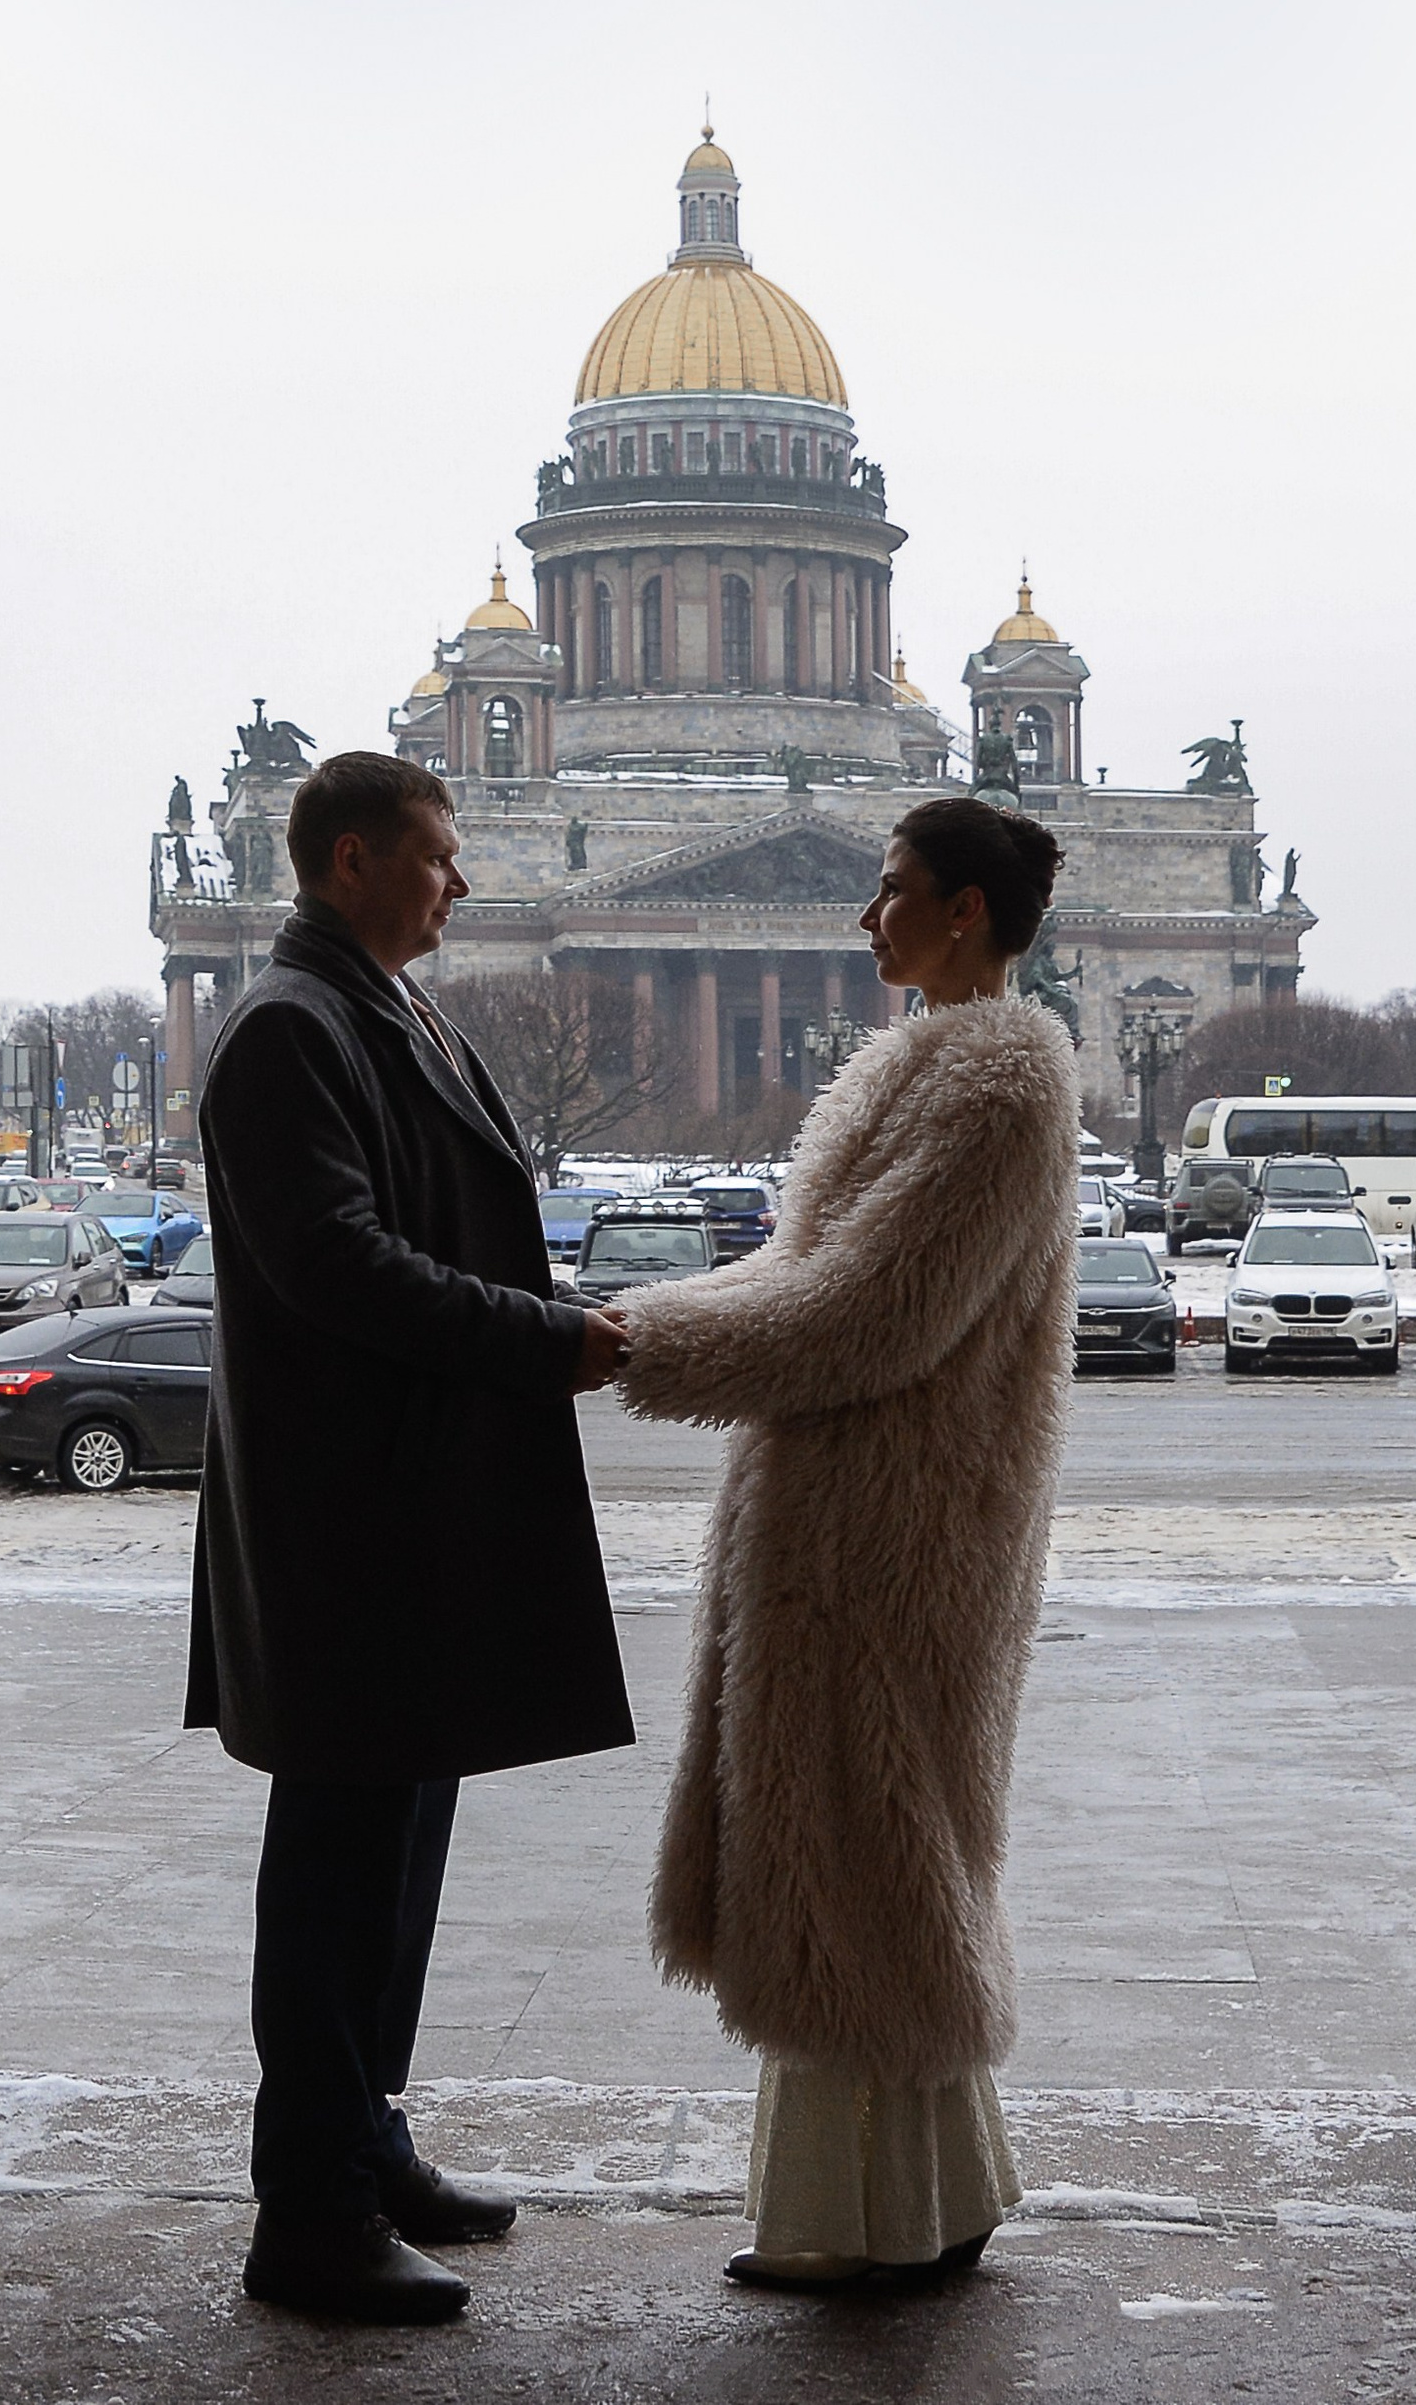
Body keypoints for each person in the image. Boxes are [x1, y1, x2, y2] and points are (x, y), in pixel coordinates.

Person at [184, 748, 635, 2326]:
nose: (462, 881)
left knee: (393, 1867)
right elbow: (340, 1265)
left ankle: (364, 2143)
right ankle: (305, 2211)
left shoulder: (373, 1000)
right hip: (348, 1522)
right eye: (439, 855)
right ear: (351, 856)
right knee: (335, 1881)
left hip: (400, 1509)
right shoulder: (289, 1024)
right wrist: (544, 1336)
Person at [614, 793, 1080, 2289]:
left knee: (865, 1852)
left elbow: (865, 1311)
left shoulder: (996, 1085)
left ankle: (859, 2222)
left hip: (894, 1535)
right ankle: (928, 2196)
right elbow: (819, 1278)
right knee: (872, 1852)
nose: (862, 919)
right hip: (863, 1520)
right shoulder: (933, 1065)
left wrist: (630, 1344)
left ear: (962, 912)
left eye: (888, 892)